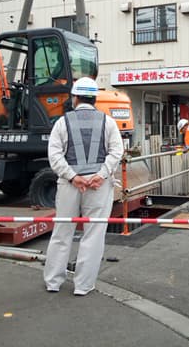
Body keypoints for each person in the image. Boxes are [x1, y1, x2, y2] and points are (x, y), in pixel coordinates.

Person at [44, 77, 123, 296]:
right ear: (95, 98)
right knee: (94, 233)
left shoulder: (62, 122)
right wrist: (101, 175)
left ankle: (53, 282)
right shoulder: (108, 122)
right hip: (99, 186)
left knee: (62, 232)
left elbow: (54, 154)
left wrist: (72, 177)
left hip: (69, 185)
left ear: (75, 97)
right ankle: (83, 285)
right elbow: (116, 151)